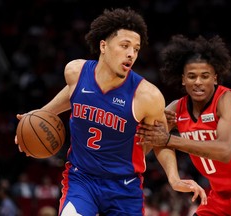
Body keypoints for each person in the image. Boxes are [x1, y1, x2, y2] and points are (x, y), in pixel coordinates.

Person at [14, 8, 207, 216]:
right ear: (103, 46)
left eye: (136, 48)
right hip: (82, 179)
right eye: (125, 46)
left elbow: (160, 140)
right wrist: (38, 116)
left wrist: (174, 178)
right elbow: (71, 94)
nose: (131, 53)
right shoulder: (76, 72)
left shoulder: (147, 96)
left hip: (124, 187)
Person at [136, 34, 231, 215]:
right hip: (219, 197)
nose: (198, 82)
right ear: (183, 79)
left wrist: (169, 139)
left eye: (205, 76)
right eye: (192, 76)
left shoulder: (229, 100)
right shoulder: (175, 109)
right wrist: (174, 178)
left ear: (215, 78)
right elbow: (151, 143)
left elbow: (225, 151)